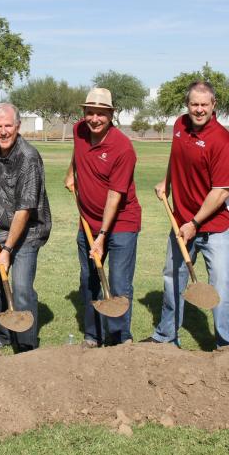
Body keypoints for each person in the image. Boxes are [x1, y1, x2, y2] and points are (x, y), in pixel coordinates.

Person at [143, 80, 229, 347]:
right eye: (194, 104)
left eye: (204, 105)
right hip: (181, 221)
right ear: (187, 105)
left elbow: (221, 192)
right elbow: (177, 158)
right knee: (173, 276)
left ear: (213, 105)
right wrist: (168, 182)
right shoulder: (179, 126)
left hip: (216, 226)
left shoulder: (223, 142)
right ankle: (166, 337)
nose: (199, 110)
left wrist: (195, 222)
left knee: (221, 285)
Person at [64, 88, 141, 347]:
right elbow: (78, 151)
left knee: (118, 283)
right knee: (89, 280)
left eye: (101, 114)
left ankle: (119, 339)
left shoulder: (123, 148)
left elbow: (114, 196)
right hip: (88, 221)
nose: (94, 119)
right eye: (90, 113)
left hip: (120, 225)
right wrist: (70, 172)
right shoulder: (79, 130)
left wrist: (102, 236)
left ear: (111, 114)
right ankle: (92, 335)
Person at [0, 103, 51, 353]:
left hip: (27, 232)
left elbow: (24, 211)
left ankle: (27, 345)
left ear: (18, 127)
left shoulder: (28, 158)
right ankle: (3, 335)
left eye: (8, 126)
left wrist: (7, 250)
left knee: (20, 288)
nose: (3, 131)